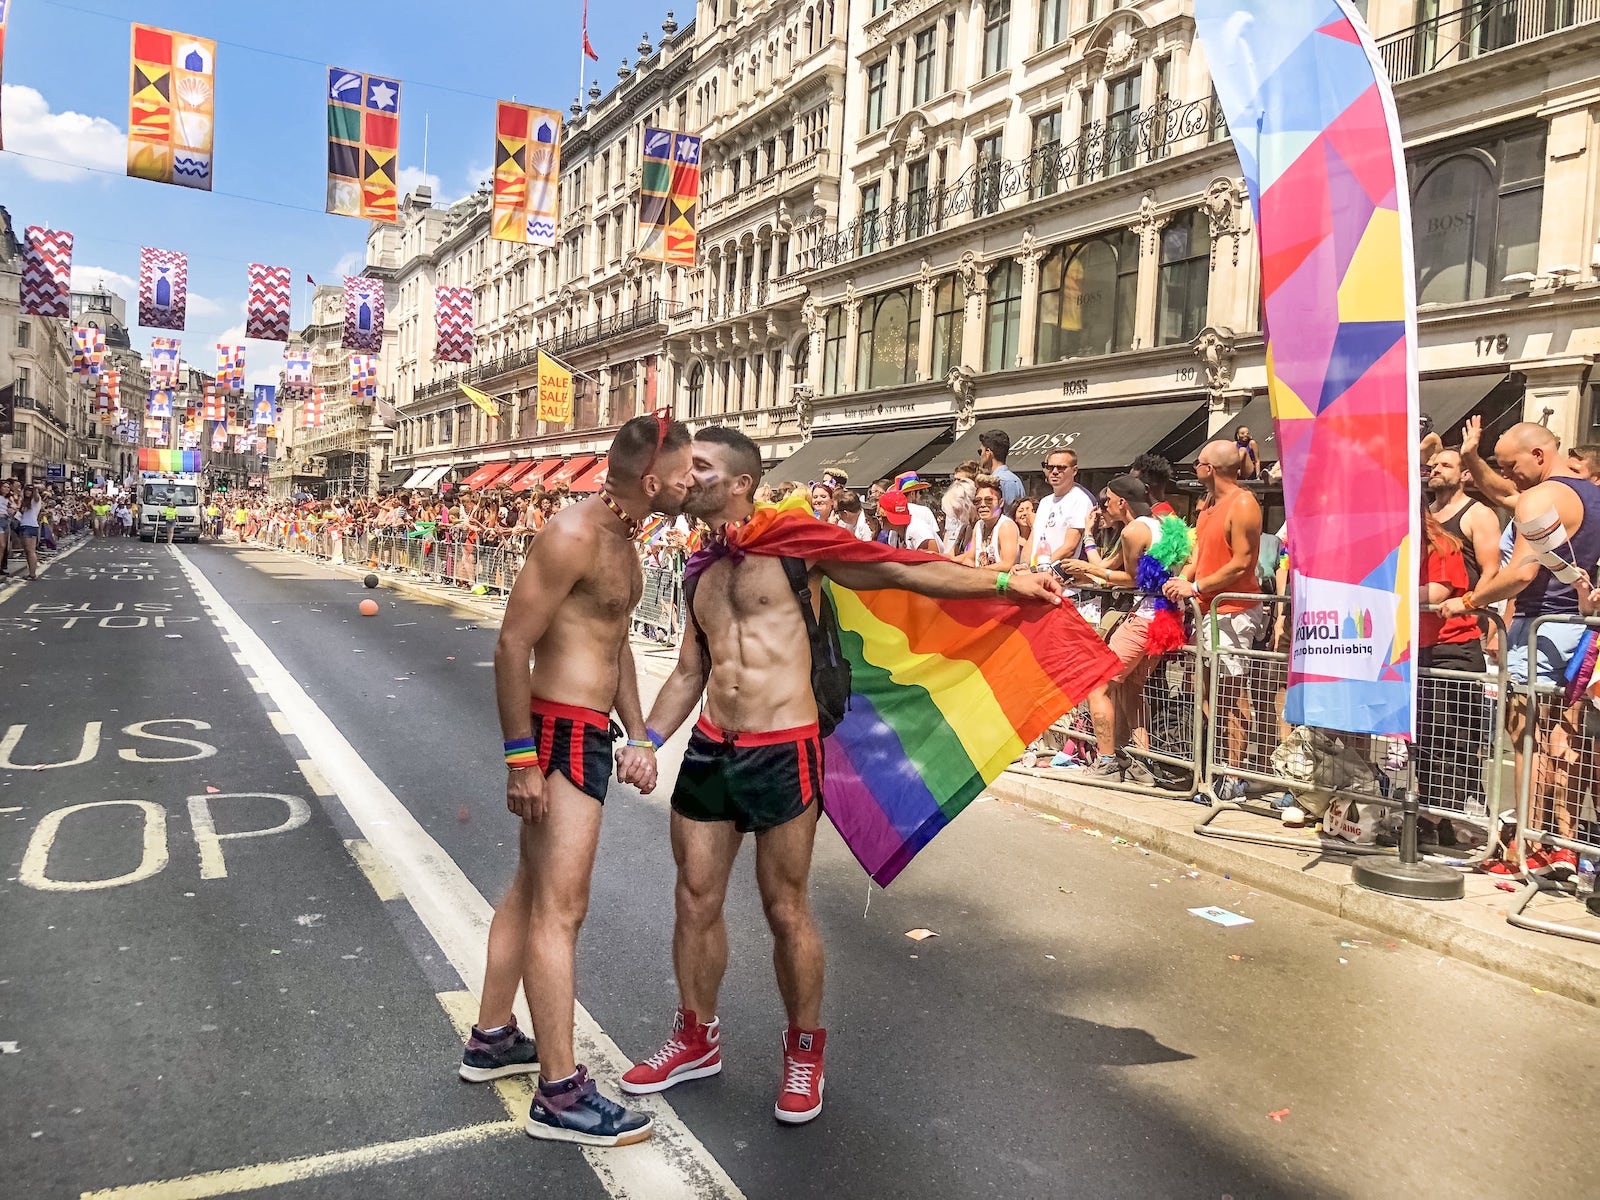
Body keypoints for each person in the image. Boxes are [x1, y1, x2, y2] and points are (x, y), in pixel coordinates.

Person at [622, 426, 1061, 1123]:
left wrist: (1005, 580)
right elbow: (690, 669)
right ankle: (696, 1039)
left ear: (740, 482)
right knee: (694, 897)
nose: (686, 473)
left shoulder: (797, 541)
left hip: (784, 748)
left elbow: (901, 569)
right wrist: (646, 739)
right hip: (711, 747)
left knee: (784, 908)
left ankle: (804, 1052)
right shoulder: (698, 564)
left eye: (700, 464)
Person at [461, 412, 695, 1148]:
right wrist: (520, 758)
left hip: (589, 732)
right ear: (653, 480)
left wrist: (635, 732)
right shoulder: (573, 535)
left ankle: (493, 1036)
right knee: (562, 911)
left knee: (531, 893)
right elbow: (511, 644)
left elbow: (613, 642)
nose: (695, 483)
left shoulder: (627, 536)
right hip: (557, 734)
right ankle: (560, 1095)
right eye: (687, 472)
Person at [1438, 422, 1600, 876]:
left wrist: (1468, 600)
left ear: (1540, 455)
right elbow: (1506, 495)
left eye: (1513, 466)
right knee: (1558, 742)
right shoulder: (1583, 494)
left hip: (1539, 628)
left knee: (1524, 740)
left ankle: (1524, 847)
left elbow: (1523, 573)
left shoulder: (1539, 498)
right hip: (1578, 627)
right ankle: (1560, 844)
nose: (1510, 475)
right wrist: (1472, 458)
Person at [1163, 440, 1264, 798]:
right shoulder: (1206, 505)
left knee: (1233, 694)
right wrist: (1181, 580)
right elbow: (1199, 554)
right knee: (1206, 691)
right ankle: (1215, 764)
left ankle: (1234, 772)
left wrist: (1196, 585)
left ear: (1211, 468)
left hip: (1234, 611)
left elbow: (1241, 562)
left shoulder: (1243, 503)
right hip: (1207, 608)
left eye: (1198, 462)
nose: (1194, 469)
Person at [1058, 475, 1165, 783]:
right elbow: (1106, 565)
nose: (1103, 505)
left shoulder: (1133, 530)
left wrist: (1088, 570)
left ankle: (1106, 762)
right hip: (1164, 618)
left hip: (1146, 617)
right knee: (1131, 689)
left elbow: (1131, 579)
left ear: (1121, 502)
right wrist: (1089, 537)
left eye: (1106, 501)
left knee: (1098, 683)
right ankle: (1143, 761)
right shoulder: (1154, 525)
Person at [1416, 496, 1484, 848]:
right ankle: (1435, 818)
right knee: (1427, 738)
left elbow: (1439, 591)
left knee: (1448, 738)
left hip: (1453, 649)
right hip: (1424, 650)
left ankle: (1436, 817)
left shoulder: (1442, 545)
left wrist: (1386, 591)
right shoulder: (1409, 547)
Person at [1427, 448, 1501, 596]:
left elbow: (1490, 571)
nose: (1436, 470)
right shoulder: (1422, 515)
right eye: (1434, 466)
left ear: (1464, 475)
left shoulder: (1479, 514)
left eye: (1446, 466)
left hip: (1461, 614)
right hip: (1425, 610)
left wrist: (1472, 606)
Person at [961, 476, 1020, 569]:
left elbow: (1007, 564)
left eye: (989, 500)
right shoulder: (978, 525)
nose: (982, 505)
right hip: (981, 580)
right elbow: (969, 558)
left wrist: (976, 572)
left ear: (1001, 503)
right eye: (977, 501)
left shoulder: (1006, 526)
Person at [876, 487, 942, 552]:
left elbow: (934, 557)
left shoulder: (917, 530)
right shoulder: (893, 535)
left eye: (882, 516)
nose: (879, 519)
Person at [978, 430, 1025, 515]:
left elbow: (1007, 515)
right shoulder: (1015, 480)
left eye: (980, 451)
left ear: (988, 452)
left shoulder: (1002, 481)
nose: (980, 455)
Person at [1130, 453, 1177, 518]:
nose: (1128, 487)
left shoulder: (1160, 517)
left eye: (1132, 483)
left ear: (1145, 489)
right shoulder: (1156, 513)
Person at [15, 484, 44, 580]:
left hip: (31, 527)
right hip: (23, 526)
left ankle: (33, 574)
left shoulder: (36, 500)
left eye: (30, 491)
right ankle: (30, 572)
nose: (28, 492)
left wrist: (34, 487)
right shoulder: (25, 502)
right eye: (26, 490)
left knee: (31, 550)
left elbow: (37, 494)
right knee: (27, 551)